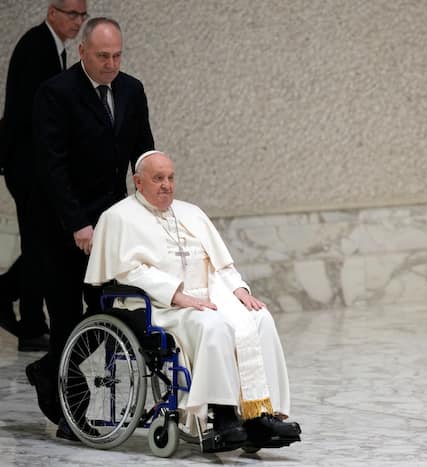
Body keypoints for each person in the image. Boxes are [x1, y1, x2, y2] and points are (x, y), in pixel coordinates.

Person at [84, 150, 302, 447]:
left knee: (259, 317)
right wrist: (176, 294)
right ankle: (224, 418)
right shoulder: (118, 217)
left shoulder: (191, 212)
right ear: (138, 181)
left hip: (208, 296)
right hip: (156, 305)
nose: (167, 185)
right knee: (212, 326)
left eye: (171, 178)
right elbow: (129, 272)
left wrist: (238, 289)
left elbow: (220, 264)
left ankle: (261, 415)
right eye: (158, 178)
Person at [26, 16, 154, 439]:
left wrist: (151, 206)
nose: (111, 64)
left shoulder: (132, 90)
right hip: (64, 224)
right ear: (82, 51)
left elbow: (142, 153)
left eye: (117, 55)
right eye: (103, 56)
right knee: (65, 318)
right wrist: (77, 222)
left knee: (108, 311)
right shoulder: (55, 93)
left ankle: (49, 371)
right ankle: (71, 415)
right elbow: (52, 167)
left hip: (111, 221)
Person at [0, 0, 89, 351]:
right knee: (43, 244)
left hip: (34, 165)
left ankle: (33, 325)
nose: (78, 21)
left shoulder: (51, 47)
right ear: (52, 12)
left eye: (83, 15)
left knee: (39, 243)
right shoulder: (37, 47)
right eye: (72, 14)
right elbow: (34, 116)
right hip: (30, 167)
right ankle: (9, 296)